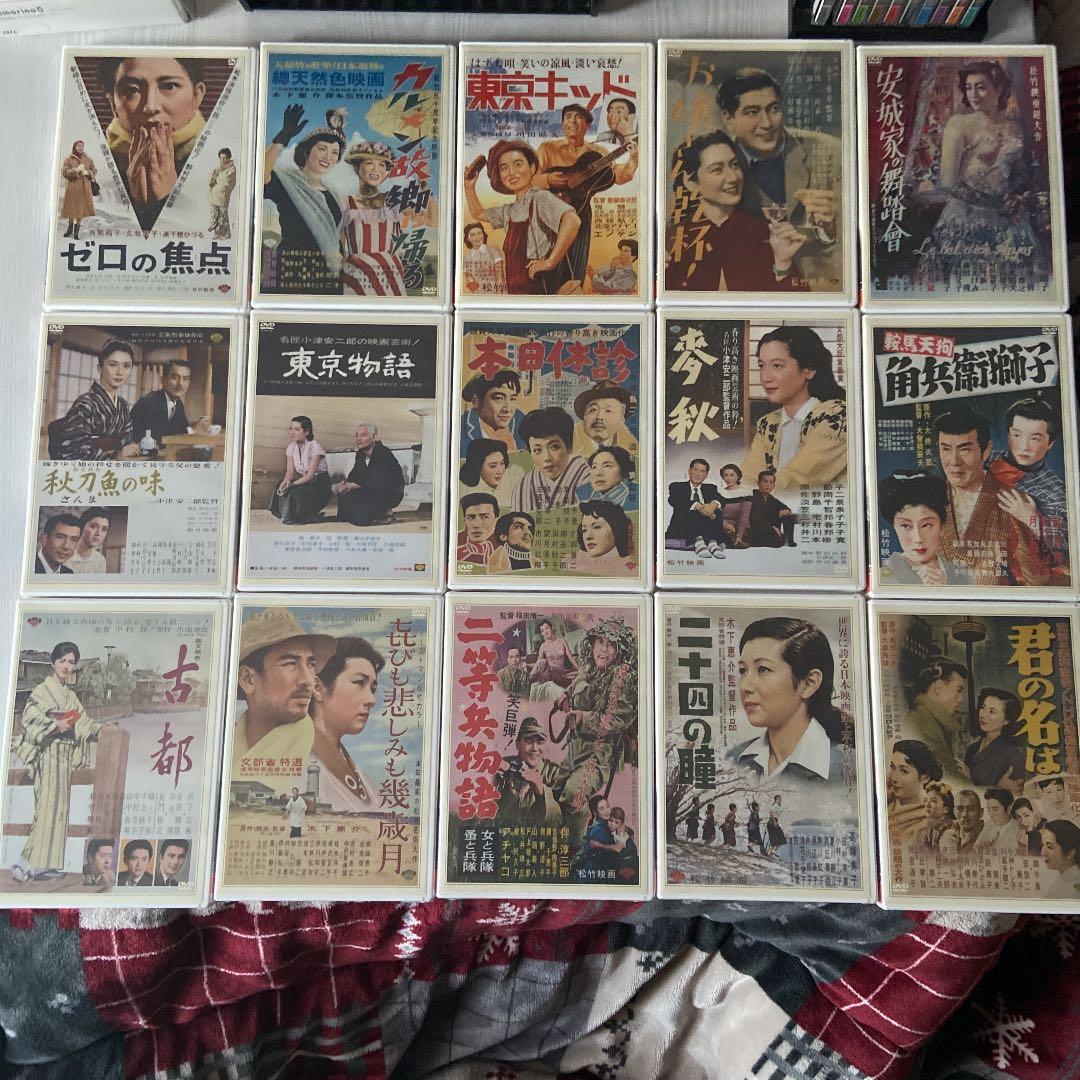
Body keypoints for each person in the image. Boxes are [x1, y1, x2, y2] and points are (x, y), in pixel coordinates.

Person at [920, 61, 1048, 295]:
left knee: (1015, 284)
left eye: (981, 87)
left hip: (1008, 219)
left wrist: (1016, 195)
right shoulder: (959, 124)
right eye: (969, 88)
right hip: (967, 218)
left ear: (998, 89)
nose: (973, 94)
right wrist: (993, 202)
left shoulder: (1014, 127)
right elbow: (948, 182)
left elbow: (1021, 173)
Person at [716, 67, 843, 290]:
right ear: (729, 119)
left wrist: (829, 232)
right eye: (752, 112)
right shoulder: (716, 166)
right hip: (750, 292)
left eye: (773, 109)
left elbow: (855, 242)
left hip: (818, 288)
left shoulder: (831, 152)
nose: (766, 123)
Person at [10, 642, 110, 882]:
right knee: (46, 809)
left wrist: (102, 730)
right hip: (49, 752)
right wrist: (55, 725)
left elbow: (84, 722)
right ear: (53, 663)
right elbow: (29, 717)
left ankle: (44, 866)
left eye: (71, 662)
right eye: (62, 661)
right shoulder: (43, 690)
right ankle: (23, 864)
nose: (67, 666)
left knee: (59, 811)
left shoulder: (71, 696)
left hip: (65, 756)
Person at [665, 130, 809, 293]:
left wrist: (783, 264)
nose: (733, 177)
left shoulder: (768, 234)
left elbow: (801, 303)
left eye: (735, 165)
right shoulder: (671, 241)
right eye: (717, 170)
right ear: (690, 183)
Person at [933, 406, 1049, 587]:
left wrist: (1032, 524)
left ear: (986, 451)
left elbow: (1037, 580)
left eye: (964, 450)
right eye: (946, 449)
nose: (954, 461)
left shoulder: (1015, 503)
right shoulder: (930, 499)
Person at [730, 617, 849, 785]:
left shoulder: (847, 769)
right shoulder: (734, 759)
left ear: (809, 683)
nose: (745, 686)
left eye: (763, 669)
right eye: (743, 670)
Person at [97, 56, 208, 232]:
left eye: (169, 86)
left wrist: (166, 201)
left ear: (197, 95)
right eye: (132, 90)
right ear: (112, 102)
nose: (150, 106)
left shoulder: (214, 160)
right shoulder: (99, 166)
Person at [534, 103, 639, 289]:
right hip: (549, 211)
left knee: (576, 264)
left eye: (578, 117)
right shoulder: (547, 148)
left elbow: (618, 176)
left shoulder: (598, 153)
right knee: (545, 261)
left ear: (588, 125)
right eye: (568, 117)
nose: (572, 121)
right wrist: (548, 179)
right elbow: (530, 178)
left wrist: (633, 159)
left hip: (581, 211)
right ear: (562, 123)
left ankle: (573, 298)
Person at [554, 618, 638, 847]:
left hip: (600, 753)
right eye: (600, 642)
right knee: (556, 791)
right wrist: (565, 695)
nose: (604, 649)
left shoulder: (622, 679)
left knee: (574, 795)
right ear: (593, 644)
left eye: (611, 645)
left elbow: (619, 720)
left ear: (618, 651)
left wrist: (585, 717)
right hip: (575, 747)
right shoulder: (588, 668)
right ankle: (561, 837)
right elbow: (577, 684)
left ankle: (576, 849)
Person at [232, 607, 335, 793]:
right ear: (248, 679)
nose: (307, 681)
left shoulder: (324, 754)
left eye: (310, 664)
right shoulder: (224, 746)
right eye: (290, 663)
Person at [464, 138, 580, 295]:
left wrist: (550, 262)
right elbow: (478, 213)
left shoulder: (540, 197)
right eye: (504, 168)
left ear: (532, 168)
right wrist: (469, 187)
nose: (511, 172)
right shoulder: (509, 211)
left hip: (539, 289)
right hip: (515, 290)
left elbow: (572, 220)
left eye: (518, 164)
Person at [739, 327, 848, 493]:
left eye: (777, 366)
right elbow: (748, 475)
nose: (765, 377)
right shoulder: (768, 423)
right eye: (762, 365)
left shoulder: (837, 417)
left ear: (808, 370)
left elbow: (797, 479)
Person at [262, 106, 347, 294]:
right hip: (292, 270)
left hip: (328, 274)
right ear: (307, 151)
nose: (328, 157)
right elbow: (260, 177)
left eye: (334, 152)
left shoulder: (334, 194)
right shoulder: (287, 181)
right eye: (322, 149)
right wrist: (281, 139)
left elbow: (338, 236)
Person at [987, 397, 1069, 577]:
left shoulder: (1055, 492)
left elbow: (1063, 554)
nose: (1024, 447)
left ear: (1050, 443)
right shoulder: (985, 460)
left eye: (1035, 438)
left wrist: (1030, 518)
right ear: (1008, 434)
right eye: (1017, 435)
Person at [342, 139, 435, 297]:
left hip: (390, 277)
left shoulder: (394, 200)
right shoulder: (345, 203)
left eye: (382, 165)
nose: (375, 169)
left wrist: (425, 184)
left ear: (386, 172)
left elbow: (433, 220)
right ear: (357, 167)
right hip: (357, 278)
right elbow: (338, 249)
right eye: (369, 163)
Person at [309, 637, 384, 811]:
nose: (371, 700)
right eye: (359, 683)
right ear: (318, 688)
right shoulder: (300, 755)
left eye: (373, 689)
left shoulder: (356, 771)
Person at [878, 470, 974, 586]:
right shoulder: (882, 579)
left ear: (942, 524)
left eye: (926, 525)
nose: (918, 538)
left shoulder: (963, 576)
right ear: (894, 525)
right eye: (905, 526)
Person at [57, 339, 139, 462]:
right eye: (113, 365)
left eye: (126, 366)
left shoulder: (122, 405)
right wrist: (116, 456)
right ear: (100, 368)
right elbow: (75, 451)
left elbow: (128, 439)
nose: (120, 372)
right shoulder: (85, 405)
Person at [493, 717, 567, 827]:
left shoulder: (555, 774)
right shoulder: (502, 766)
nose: (535, 748)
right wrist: (494, 780)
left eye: (540, 742)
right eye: (529, 741)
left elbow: (561, 820)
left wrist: (541, 792)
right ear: (517, 744)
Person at [513, 407, 590, 512]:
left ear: (569, 446)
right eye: (537, 450)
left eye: (554, 447)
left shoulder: (588, 477)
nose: (547, 458)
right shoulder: (523, 486)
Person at [902, 656, 969, 775]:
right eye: (959, 690)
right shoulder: (924, 725)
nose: (961, 699)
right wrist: (967, 779)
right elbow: (948, 779)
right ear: (938, 687)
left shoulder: (927, 718)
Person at [129, 358, 210, 449]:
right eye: (175, 377)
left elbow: (179, 432)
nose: (180, 383)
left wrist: (195, 426)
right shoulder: (149, 402)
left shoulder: (178, 404)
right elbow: (155, 441)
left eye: (185, 379)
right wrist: (192, 430)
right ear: (163, 380)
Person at [334, 423, 405, 526]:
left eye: (363, 435)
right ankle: (376, 513)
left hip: (389, 492)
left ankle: (384, 511)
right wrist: (345, 484)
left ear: (373, 437)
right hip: (370, 489)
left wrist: (353, 485)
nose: (359, 439)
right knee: (345, 502)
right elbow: (355, 474)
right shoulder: (360, 454)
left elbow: (379, 481)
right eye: (357, 435)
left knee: (361, 519)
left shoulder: (382, 452)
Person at [958, 688, 1025, 793]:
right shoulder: (973, 749)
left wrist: (969, 780)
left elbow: (1017, 793)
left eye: (992, 711)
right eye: (983, 707)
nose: (983, 715)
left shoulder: (1012, 755)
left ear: (1006, 720)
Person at [269, 415, 332, 525]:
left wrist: (292, 484)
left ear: (306, 432)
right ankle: (288, 514)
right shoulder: (291, 447)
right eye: (291, 428)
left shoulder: (314, 446)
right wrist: (286, 482)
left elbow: (310, 476)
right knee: (280, 484)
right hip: (306, 482)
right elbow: (290, 471)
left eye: (297, 429)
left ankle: (307, 514)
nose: (292, 432)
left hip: (319, 485)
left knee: (294, 491)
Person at [665, 458, 727, 558]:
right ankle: (699, 543)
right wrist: (698, 506)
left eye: (702, 471)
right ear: (689, 471)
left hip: (707, 528)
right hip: (682, 527)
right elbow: (674, 500)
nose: (698, 474)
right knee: (693, 510)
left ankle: (712, 543)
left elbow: (722, 500)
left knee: (717, 511)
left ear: (706, 475)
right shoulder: (677, 486)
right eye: (695, 470)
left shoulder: (711, 488)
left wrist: (712, 505)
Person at [886, 739, 944, 842]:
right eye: (893, 767)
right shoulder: (886, 803)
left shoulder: (930, 818)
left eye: (904, 771)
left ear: (925, 777)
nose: (894, 778)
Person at [460, 370, 526, 454]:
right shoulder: (461, 430)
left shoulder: (522, 422)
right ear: (476, 401)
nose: (507, 409)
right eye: (498, 398)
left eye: (512, 399)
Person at [564, 501, 633, 574]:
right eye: (584, 530)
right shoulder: (570, 562)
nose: (588, 536)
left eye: (596, 527)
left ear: (616, 529)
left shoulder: (629, 570)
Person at [459, 439, 523, 509]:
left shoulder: (514, 475)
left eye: (502, 463)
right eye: (493, 466)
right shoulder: (465, 488)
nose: (500, 471)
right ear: (478, 466)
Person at [575, 447, 638, 511]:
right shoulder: (581, 495)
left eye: (607, 466)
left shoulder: (638, 498)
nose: (598, 473)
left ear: (623, 470)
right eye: (594, 467)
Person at [575, 794, 623, 878]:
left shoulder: (604, 825)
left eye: (607, 806)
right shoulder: (599, 830)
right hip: (594, 871)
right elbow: (617, 849)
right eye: (602, 809)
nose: (607, 811)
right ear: (595, 812)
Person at [748, 470, 797, 548]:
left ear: (774, 485)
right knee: (777, 540)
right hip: (755, 533)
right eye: (765, 481)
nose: (768, 485)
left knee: (789, 518)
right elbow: (756, 518)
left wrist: (786, 510)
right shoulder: (752, 497)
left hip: (770, 532)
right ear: (758, 483)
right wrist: (773, 527)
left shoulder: (771, 499)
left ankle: (788, 542)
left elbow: (785, 508)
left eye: (771, 482)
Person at [529, 619, 579, 691]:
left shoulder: (562, 641)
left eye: (547, 628)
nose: (545, 631)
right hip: (549, 674)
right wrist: (527, 665)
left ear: (551, 628)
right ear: (541, 634)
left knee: (574, 677)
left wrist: (579, 669)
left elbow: (570, 657)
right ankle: (529, 680)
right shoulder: (543, 646)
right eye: (542, 631)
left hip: (561, 672)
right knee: (542, 662)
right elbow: (538, 664)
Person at [60, 139, 96, 239]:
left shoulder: (88, 159)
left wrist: (88, 173)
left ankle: (76, 232)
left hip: (84, 188)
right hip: (73, 188)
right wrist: (75, 170)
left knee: (81, 209)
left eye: (82, 146)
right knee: (71, 208)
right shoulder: (68, 159)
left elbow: (94, 170)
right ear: (74, 147)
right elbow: (65, 173)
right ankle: (70, 229)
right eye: (79, 146)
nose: (81, 148)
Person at [940, 789, 995, 855]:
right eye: (960, 808)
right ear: (954, 811)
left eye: (970, 809)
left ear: (980, 812)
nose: (964, 814)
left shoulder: (990, 835)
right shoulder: (949, 834)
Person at [715, 464, 753, 549]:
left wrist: (739, 536)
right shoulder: (720, 492)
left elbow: (744, 516)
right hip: (723, 527)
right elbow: (717, 514)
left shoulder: (746, 493)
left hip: (741, 530)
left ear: (738, 476)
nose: (728, 478)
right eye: (726, 475)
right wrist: (724, 524)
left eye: (732, 475)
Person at [462, 222, 506, 294]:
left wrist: (499, 296)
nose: (477, 237)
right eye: (473, 235)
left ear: (483, 234)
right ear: (468, 238)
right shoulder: (466, 258)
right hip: (478, 295)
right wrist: (477, 295)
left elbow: (500, 275)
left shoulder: (494, 250)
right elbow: (470, 280)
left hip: (496, 293)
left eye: (479, 233)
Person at [1041, 820, 1080, 899]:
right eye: (1042, 845)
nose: (1042, 853)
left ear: (1071, 853)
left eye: (1049, 847)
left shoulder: (1074, 887)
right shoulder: (1063, 877)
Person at [456, 493, 499, 565]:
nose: (476, 525)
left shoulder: (505, 549)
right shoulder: (456, 551)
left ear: (496, 520)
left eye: (484, 517)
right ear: (464, 521)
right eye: (470, 517)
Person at [65, 508, 111, 575]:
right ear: (82, 526)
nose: (98, 533)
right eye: (93, 526)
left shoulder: (100, 560)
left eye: (104, 529)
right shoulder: (64, 556)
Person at [916, 782, 955, 851]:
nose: (927, 805)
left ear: (946, 809)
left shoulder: (951, 831)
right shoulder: (929, 828)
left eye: (933, 801)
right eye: (926, 800)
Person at [208, 147, 237, 239]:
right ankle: (217, 233)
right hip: (215, 194)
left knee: (223, 214)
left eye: (224, 158)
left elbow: (230, 182)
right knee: (215, 213)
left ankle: (225, 234)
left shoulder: (232, 168)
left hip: (223, 194)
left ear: (228, 158)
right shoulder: (218, 168)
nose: (222, 160)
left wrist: (220, 188)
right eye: (221, 158)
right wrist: (212, 186)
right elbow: (213, 179)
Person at [984, 787, 1021, 852]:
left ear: (1008, 809)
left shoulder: (1019, 829)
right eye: (988, 809)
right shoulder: (988, 825)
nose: (990, 814)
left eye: (995, 809)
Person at [608, 806, 638, 880]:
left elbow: (618, 849)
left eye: (616, 822)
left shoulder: (623, 834)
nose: (612, 824)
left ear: (621, 823)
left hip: (629, 865)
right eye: (610, 820)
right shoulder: (609, 831)